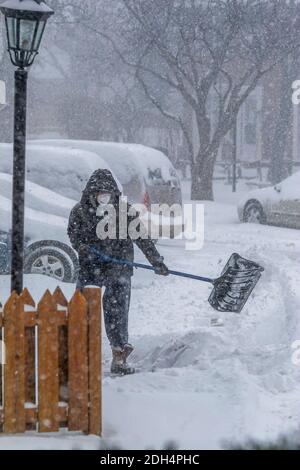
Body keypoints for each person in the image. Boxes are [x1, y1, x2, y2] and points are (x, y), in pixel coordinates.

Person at [68, 169, 169, 375]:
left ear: (114, 194)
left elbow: (142, 237)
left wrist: (156, 261)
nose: (104, 197)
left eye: (108, 193)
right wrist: (82, 247)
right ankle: (80, 354)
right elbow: (73, 233)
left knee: (117, 312)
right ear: (91, 193)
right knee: (82, 309)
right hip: (90, 267)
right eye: (99, 193)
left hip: (119, 267)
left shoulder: (125, 212)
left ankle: (119, 354)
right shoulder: (79, 211)